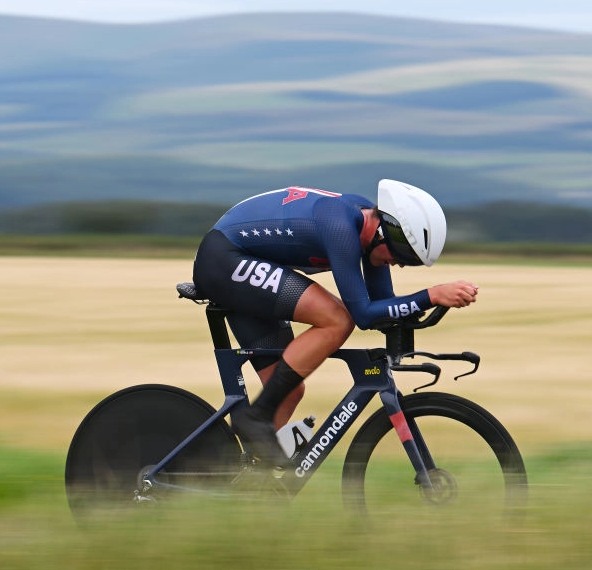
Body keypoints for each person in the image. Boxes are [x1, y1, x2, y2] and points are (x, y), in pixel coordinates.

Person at [191, 179, 479, 466]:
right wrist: (431, 295)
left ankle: (244, 477)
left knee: (288, 391)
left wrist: (422, 308)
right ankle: (256, 416)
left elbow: (383, 305)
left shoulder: (369, 231)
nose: (400, 263)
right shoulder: (341, 227)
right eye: (402, 255)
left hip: (244, 263)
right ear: (386, 233)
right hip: (224, 259)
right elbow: (363, 315)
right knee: (337, 319)